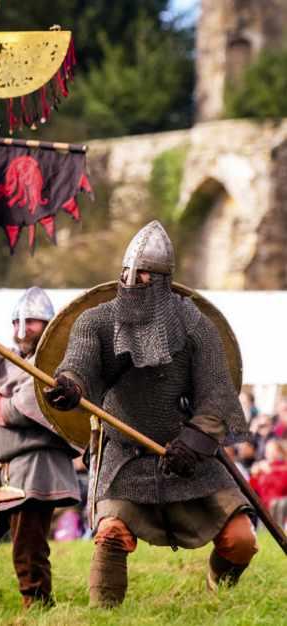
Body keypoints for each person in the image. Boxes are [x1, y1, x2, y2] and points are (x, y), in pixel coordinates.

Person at [46, 220, 258, 607]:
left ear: (163, 280)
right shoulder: (96, 322)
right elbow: (78, 363)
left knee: (241, 539)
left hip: (186, 456)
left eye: (145, 274)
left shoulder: (195, 326)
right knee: (111, 533)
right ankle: (104, 612)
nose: (134, 281)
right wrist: (71, 384)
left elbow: (217, 397)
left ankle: (219, 587)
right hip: (125, 458)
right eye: (129, 272)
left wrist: (195, 441)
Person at [0, 287, 80, 615]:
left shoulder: (56, 366)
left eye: (32, 322)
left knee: (28, 551)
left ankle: (37, 613)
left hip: (36, 466)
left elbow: (16, 412)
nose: (23, 330)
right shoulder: (4, 358)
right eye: (18, 322)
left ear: (48, 326)